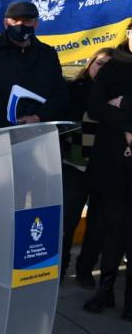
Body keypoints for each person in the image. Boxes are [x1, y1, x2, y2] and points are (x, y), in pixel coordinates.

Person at [84, 24, 132, 318]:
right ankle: (106, 290)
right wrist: (127, 130)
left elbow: (113, 105)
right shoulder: (113, 66)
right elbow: (96, 106)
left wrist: (126, 103)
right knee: (113, 228)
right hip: (114, 159)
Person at [0, 0, 68, 131]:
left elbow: (59, 93)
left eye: (27, 20)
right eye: (15, 19)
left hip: (38, 130)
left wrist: (38, 117)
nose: (20, 24)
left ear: (36, 23)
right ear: (5, 22)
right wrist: (11, 121)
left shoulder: (48, 54)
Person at [62, 48, 112, 288]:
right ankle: (59, 269)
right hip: (74, 166)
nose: (102, 69)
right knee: (66, 222)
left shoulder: (118, 95)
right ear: (90, 63)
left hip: (103, 169)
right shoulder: (73, 89)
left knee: (98, 226)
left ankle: (84, 269)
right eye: (99, 63)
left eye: (108, 66)